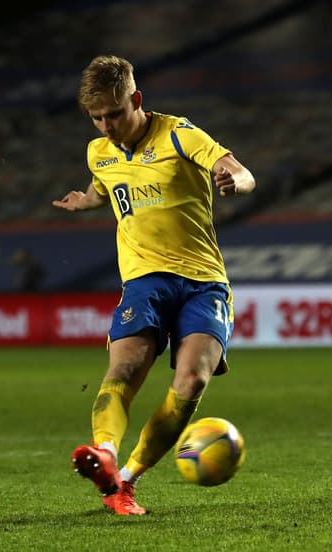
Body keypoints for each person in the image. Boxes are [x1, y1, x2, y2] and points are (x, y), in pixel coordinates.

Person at [52, 55, 255, 515]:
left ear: (136, 100)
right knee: (124, 369)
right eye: (97, 117)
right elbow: (105, 186)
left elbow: (244, 172)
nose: (106, 125)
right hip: (144, 279)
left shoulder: (180, 134)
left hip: (204, 282)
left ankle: (124, 482)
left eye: (115, 113)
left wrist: (233, 180)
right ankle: (104, 452)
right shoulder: (98, 151)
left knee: (192, 379)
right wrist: (86, 201)